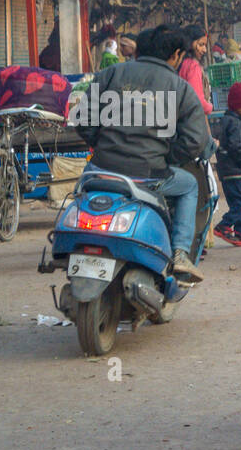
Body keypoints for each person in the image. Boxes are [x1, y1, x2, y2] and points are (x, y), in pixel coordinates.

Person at [75, 24, 211, 283]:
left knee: (79, 193)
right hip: (148, 175)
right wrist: (168, 157)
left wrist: (102, 142)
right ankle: (180, 254)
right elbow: (195, 140)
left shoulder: (111, 73)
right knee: (189, 185)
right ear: (175, 55)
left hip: (100, 169)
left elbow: (82, 118)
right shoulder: (180, 88)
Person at [212, 82, 241, 246]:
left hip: (226, 170)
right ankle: (224, 226)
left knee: (236, 200)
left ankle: (240, 231)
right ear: (237, 106)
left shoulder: (226, 120)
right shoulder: (235, 123)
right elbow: (235, 146)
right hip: (234, 169)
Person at [178, 25, 214, 115]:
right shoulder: (192, 67)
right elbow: (197, 101)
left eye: (205, 45)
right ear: (190, 43)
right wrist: (210, 107)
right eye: (201, 45)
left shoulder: (179, 63)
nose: (204, 50)